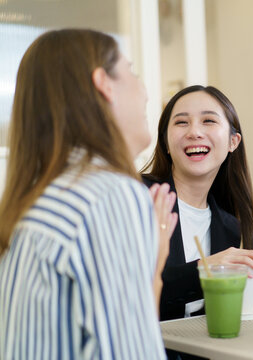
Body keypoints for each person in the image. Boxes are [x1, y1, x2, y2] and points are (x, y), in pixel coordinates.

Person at [0, 29, 177, 359]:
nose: (146, 93)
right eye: (132, 72)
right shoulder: (110, 195)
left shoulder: (41, 197)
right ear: (104, 83)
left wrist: (152, 266)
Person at [141, 85, 253, 323]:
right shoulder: (140, 197)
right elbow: (129, 289)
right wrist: (205, 270)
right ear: (165, 141)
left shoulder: (228, 225)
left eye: (208, 121)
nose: (195, 132)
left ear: (233, 142)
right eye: (181, 123)